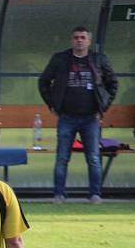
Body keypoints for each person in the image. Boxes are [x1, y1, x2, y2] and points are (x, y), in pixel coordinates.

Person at [38, 26, 118, 204]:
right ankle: (59, 195)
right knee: (62, 158)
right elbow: (43, 82)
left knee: (93, 158)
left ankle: (95, 194)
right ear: (71, 40)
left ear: (89, 41)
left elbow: (112, 84)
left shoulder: (99, 60)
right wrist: (52, 104)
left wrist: (102, 108)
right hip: (67, 116)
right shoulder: (60, 59)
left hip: (91, 117)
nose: (79, 40)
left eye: (83, 37)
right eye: (76, 37)